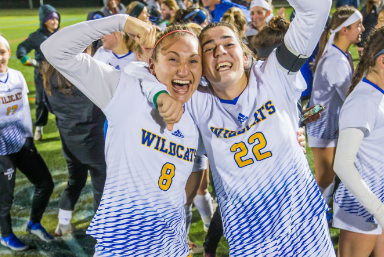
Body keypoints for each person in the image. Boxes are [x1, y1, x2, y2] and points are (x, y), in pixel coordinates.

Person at [144, 0, 335, 255]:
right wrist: (158, 93)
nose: (220, 51)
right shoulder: (198, 102)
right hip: (250, 238)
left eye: (228, 43)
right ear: (201, 69)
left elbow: (318, 8)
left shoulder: (274, 74)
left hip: (304, 229)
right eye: (208, 49)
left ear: (245, 56)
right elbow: (139, 73)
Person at [41, 15, 208, 256]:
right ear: (153, 65)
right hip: (123, 247)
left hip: (173, 246)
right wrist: (121, 22)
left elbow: (194, 170)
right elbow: (55, 50)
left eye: (193, 61)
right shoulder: (126, 92)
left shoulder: (198, 110)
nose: (184, 69)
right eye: (173, 59)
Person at [333, 26, 384, 257]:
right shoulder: (363, 101)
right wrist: (379, 211)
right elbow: (342, 164)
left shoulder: (377, 93)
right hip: (362, 207)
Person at [41, 60, 107, 236]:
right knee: (102, 186)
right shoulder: (84, 73)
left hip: (69, 139)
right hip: (93, 141)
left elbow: (48, 106)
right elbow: (99, 107)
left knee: (75, 180)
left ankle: (62, 224)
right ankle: (103, 231)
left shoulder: (49, 73)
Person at [0, 36, 54, 251]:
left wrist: (29, 138)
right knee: (5, 196)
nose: (0, 57)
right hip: (1, 149)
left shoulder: (17, 76)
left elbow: (23, 109)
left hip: (21, 141)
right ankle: (5, 235)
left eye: (2, 52)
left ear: (8, 53)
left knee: (45, 183)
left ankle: (33, 223)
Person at [307, 6, 365, 204]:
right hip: (322, 125)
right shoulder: (336, 60)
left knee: (332, 176)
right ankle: (307, 215)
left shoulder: (341, 55)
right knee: (325, 178)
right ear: (345, 30)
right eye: (359, 25)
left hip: (327, 122)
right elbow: (351, 97)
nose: (363, 29)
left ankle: (322, 213)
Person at [16, 4, 60, 141]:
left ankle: (63, 127)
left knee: (61, 101)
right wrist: (25, 58)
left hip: (59, 74)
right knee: (41, 101)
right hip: (42, 74)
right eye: (51, 19)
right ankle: (39, 128)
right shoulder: (37, 36)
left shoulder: (61, 34)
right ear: (44, 20)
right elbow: (22, 48)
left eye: (57, 19)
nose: (55, 22)